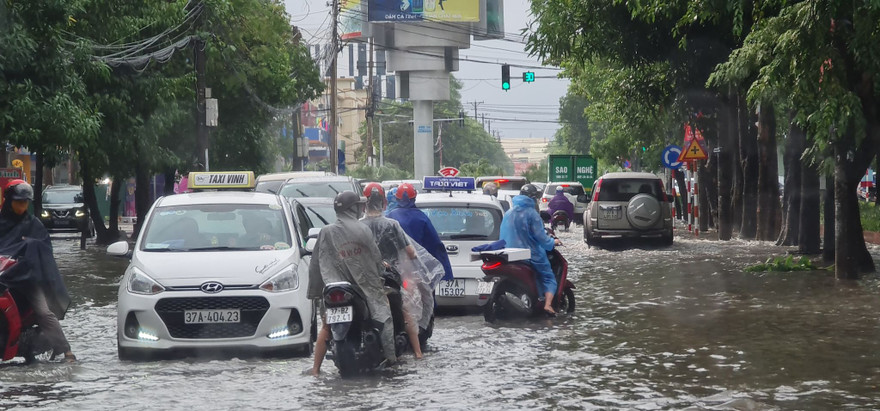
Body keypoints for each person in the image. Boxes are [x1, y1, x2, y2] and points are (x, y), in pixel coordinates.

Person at [308, 191, 395, 376]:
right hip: (362, 289)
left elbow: (316, 265)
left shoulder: (325, 231)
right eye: (359, 205)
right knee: (383, 312)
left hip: (334, 289)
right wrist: (381, 271)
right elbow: (374, 257)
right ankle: (391, 359)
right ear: (353, 208)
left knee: (326, 325)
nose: (362, 208)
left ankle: (315, 370)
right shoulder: (362, 229)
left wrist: (315, 292)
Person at [0, 180, 75, 361]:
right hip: (3, 278)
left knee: (43, 312)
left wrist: (29, 247)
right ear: (9, 201)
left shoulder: (34, 225)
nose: (22, 206)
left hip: (28, 279)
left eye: (25, 203)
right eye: (18, 202)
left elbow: (45, 251)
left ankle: (67, 351)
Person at [361, 183, 423, 359]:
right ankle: (418, 354)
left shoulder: (357, 226)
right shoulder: (392, 225)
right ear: (385, 204)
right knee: (406, 314)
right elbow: (411, 253)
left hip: (365, 279)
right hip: (390, 279)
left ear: (364, 204)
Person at [498, 184, 562, 315]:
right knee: (548, 276)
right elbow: (541, 238)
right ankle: (548, 305)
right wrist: (552, 241)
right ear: (533, 198)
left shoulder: (509, 213)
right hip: (529, 254)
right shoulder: (532, 214)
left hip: (507, 253)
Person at [386, 183, 454, 281]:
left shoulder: (390, 217)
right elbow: (435, 245)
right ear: (414, 198)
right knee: (426, 295)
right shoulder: (422, 218)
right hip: (418, 270)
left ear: (397, 199)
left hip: (396, 270)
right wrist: (446, 271)